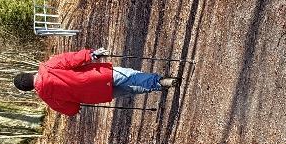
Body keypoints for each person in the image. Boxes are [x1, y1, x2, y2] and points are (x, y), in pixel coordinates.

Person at [13, 47, 176, 116]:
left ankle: (157, 85)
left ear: (28, 89)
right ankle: (160, 81)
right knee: (131, 76)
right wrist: (91, 54)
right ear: (28, 74)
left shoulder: (48, 99)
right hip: (97, 76)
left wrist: (76, 106)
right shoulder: (48, 67)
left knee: (130, 88)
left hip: (97, 95)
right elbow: (71, 59)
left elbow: (71, 110)